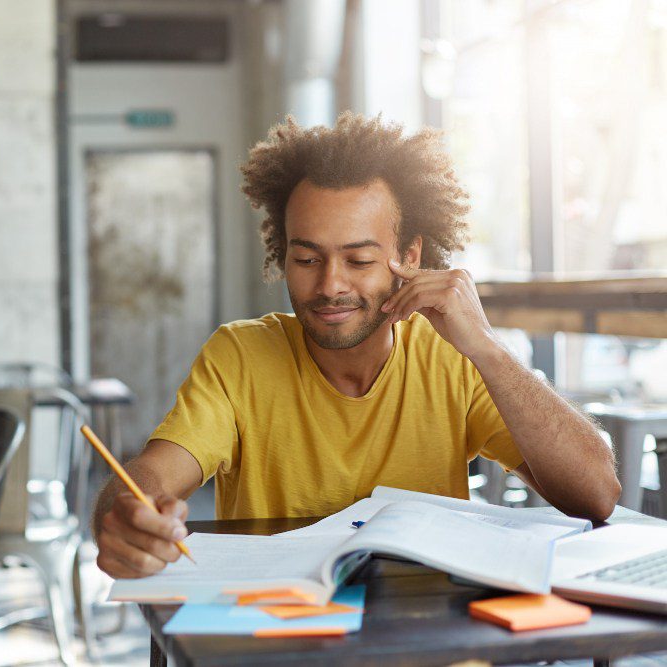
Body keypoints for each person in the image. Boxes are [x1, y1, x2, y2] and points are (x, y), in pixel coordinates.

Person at [92, 113, 621, 580]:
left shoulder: (454, 358)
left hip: (427, 636)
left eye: (360, 261)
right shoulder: (240, 357)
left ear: (409, 257)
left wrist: (487, 348)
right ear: (283, 256)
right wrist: (126, 516)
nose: (330, 285)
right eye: (306, 260)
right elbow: (153, 476)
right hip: (281, 636)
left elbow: (597, 493)